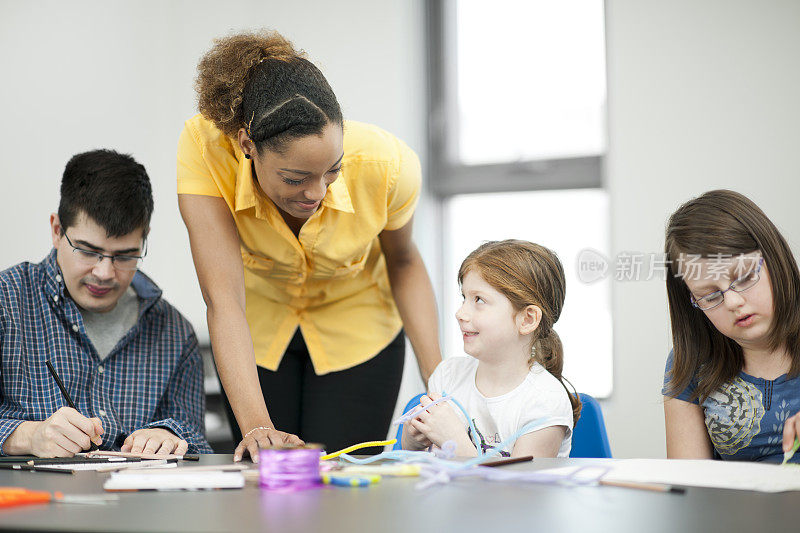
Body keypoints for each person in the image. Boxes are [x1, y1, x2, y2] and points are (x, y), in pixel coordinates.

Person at [177, 30, 441, 461]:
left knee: (343, 497)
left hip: (359, 332)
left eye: (331, 171)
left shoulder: (389, 166)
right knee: (266, 489)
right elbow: (223, 300)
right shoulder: (206, 148)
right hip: (257, 332)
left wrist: (439, 384)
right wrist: (259, 428)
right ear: (248, 145)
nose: (316, 193)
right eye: (295, 179)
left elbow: (405, 262)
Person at [0, 150, 211, 457]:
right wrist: (28, 436)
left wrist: (170, 437)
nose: (104, 273)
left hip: (138, 503)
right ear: (57, 230)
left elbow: (199, 446)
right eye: (87, 251)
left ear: (144, 239)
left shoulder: (175, 334)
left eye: (124, 256)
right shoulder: (7, 303)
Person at [402, 240, 580, 457]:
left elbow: (520, 489)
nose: (460, 313)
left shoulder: (545, 400)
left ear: (527, 319)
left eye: (479, 300)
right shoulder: (447, 375)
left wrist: (456, 441)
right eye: (464, 297)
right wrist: (412, 441)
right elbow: (420, 462)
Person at [662, 189, 800, 463]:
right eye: (711, 296)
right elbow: (692, 484)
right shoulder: (692, 361)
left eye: (747, 277)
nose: (733, 301)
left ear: (774, 257)